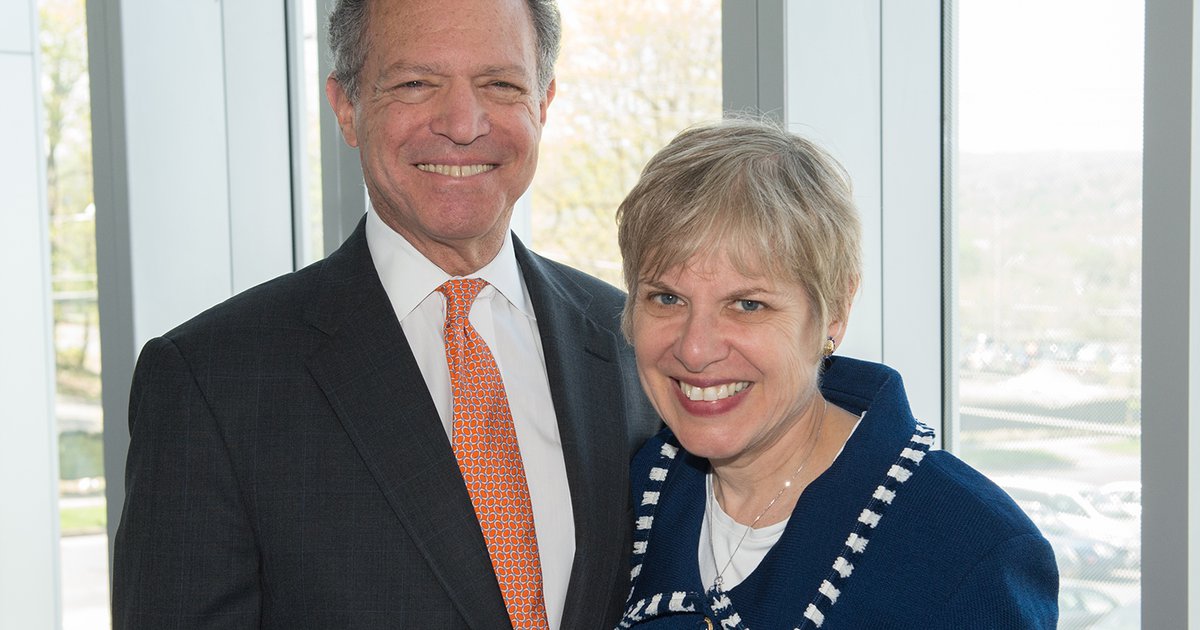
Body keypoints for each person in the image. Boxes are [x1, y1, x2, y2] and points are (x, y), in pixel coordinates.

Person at [110, 0, 659, 628]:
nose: (462, 123)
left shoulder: (633, 343)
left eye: (500, 84)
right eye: (416, 83)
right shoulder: (211, 383)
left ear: (545, 102)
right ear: (346, 106)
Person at [612, 118, 1059, 629]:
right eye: (666, 298)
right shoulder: (625, 492)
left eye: (748, 305)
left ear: (834, 313)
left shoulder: (970, 549)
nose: (695, 348)